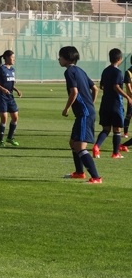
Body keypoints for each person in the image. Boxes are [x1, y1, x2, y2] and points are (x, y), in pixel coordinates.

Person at [58, 46, 101, 183]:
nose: (58, 59)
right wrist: (90, 104)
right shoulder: (80, 70)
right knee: (73, 143)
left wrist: (66, 108)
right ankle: (79, 172)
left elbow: (74, 92)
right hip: (86, 112)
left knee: (80, 147)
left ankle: (96, 177)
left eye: (60, 56)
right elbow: (95, 88)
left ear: (67, 58)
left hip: (84, 114)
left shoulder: (69, 71)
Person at [93, 48, 132, 159]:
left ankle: (96, 146)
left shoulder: (105, 71)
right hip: (115, 104)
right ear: (119, 59)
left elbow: (102, 86)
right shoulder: (118, 72)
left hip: (105, 103)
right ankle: (115, 153)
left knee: (106, 129)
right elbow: (116, 86)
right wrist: (127, 96)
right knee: (117, 129)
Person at [0, 50, 22, 147]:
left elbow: (10, 83)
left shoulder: (12, 70)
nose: (14, 59)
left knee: (15, 117)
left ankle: (10, 138)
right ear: (7, 58)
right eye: (13, 57)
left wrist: (17, 90)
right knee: (4, 118)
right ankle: (0, 141)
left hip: (10, 97)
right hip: (1, 97)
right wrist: (3, 89)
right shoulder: (1, 69)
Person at [123, 56, 132, 138]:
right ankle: (125, 132)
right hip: (131, 98)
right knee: (129, 115)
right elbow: (128, 84)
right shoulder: (128, 72)